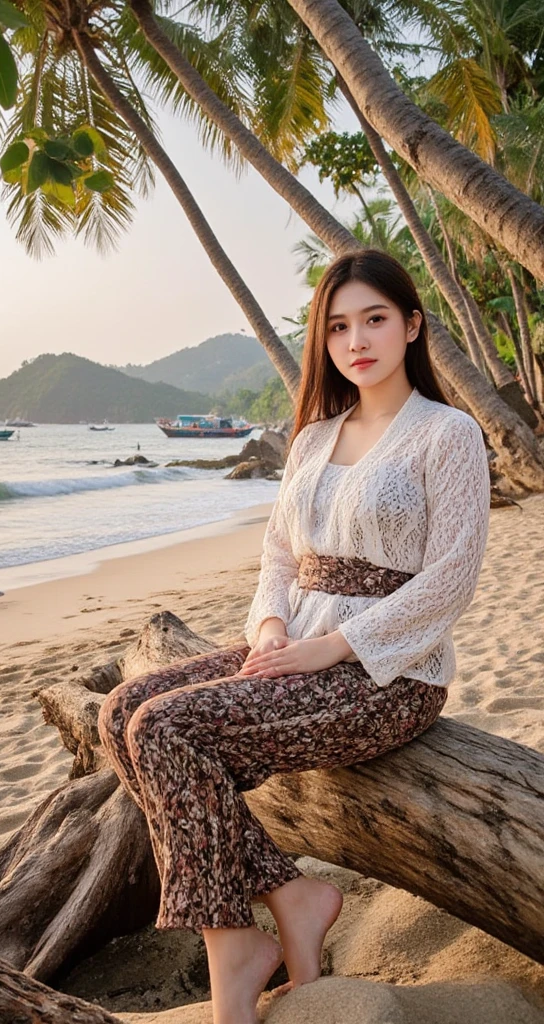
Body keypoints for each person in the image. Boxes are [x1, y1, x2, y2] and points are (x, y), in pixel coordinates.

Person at [97, 249, 491, 1024]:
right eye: (338, 326)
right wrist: (271, 629)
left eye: (375, 319)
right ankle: (290, 894)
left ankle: (234, 944)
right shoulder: (313, 437)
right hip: (295, 643)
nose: (357, 340)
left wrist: (329, 648)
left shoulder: (448, 434)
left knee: (167, 726)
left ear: (411, 325)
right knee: (119, 714)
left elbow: (452, 577)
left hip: (390, 672)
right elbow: (280, 556)